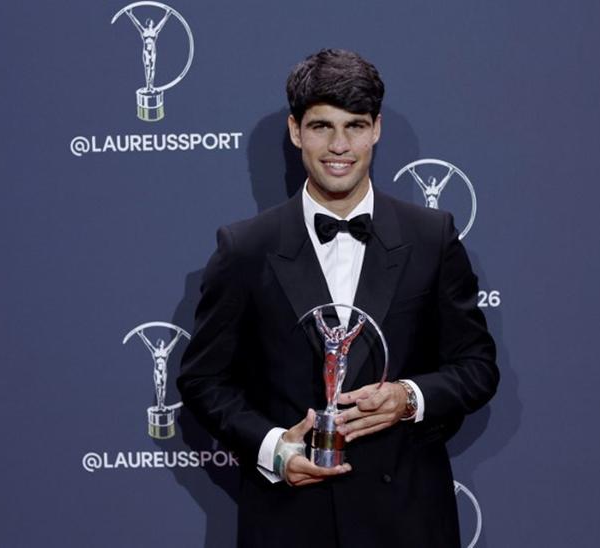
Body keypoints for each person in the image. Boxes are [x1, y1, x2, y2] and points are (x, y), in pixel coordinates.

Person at [178, 48, 498, 548]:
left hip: (407, 521)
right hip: (289, 519)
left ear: (376, 129)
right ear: (295, 131)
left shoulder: (431, 236)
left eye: (354, 125)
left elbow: (476, 368)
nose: (339, 146)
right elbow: (203, 380)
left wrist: (407, 398)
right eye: (322, 126)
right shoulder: (245, 248)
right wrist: (274, 449)